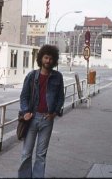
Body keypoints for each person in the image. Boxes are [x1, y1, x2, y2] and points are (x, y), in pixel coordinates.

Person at [18, 44, 65, 178]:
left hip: (47, 120)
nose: (48, 61)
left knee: (41, 154)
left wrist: (55, 112)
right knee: (26, 153)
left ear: (54, 60)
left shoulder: (58, 77)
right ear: (41, 58)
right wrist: (26, 111)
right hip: (32, 118)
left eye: (50, 58)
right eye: (45, 58)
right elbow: (24, 96)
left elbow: (60, 97)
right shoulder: (32, 76)